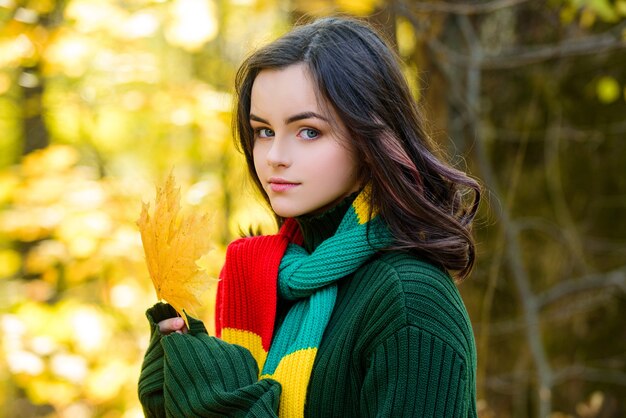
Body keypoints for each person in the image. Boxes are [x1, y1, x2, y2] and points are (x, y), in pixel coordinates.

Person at [138, 16, 481, 417]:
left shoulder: (409, 298)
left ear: (370, 138)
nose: (275, 157)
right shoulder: (266, 279)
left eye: (309, 132)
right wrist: (186, 393)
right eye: (263, 131)